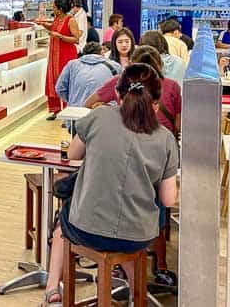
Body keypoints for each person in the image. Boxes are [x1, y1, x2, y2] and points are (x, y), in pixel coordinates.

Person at [42, 63, 179, 305]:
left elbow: (73, 154)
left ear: (117, 94)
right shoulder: (165, 138)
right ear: (156, 104)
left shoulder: (99, 116)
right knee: (127, 235)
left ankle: (53, 289)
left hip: (86, 228)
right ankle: (138, 295)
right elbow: (169, 200)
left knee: (62, 223)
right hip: (137, 234)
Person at [85, 46, 182, 137]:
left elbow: (89, 103)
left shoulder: (120, 81)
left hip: (126, 140)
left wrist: (113, 109)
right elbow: (178, 126)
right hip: (163, 143)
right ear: (160, 64)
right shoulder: (173, 86)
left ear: (131, 63)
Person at [37, 0, 80, 120]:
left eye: (54, 7)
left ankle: (68, 112)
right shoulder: (56, 19)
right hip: (54, 55)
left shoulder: (70, 20)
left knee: (65, 82)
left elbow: (76, 39)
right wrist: (45, 25)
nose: (53, 9)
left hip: (66, 55)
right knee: (53, 80)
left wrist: (60, 36)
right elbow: (53, 29)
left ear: (60, 9)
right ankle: (56, 110)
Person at [55, 42, 121, 108]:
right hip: (106, 111)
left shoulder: (72, 64)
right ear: (101, 53)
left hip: (76, 111)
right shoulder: (115, 66)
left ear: (84, 53)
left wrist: (72, 101)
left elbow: (60, 88)